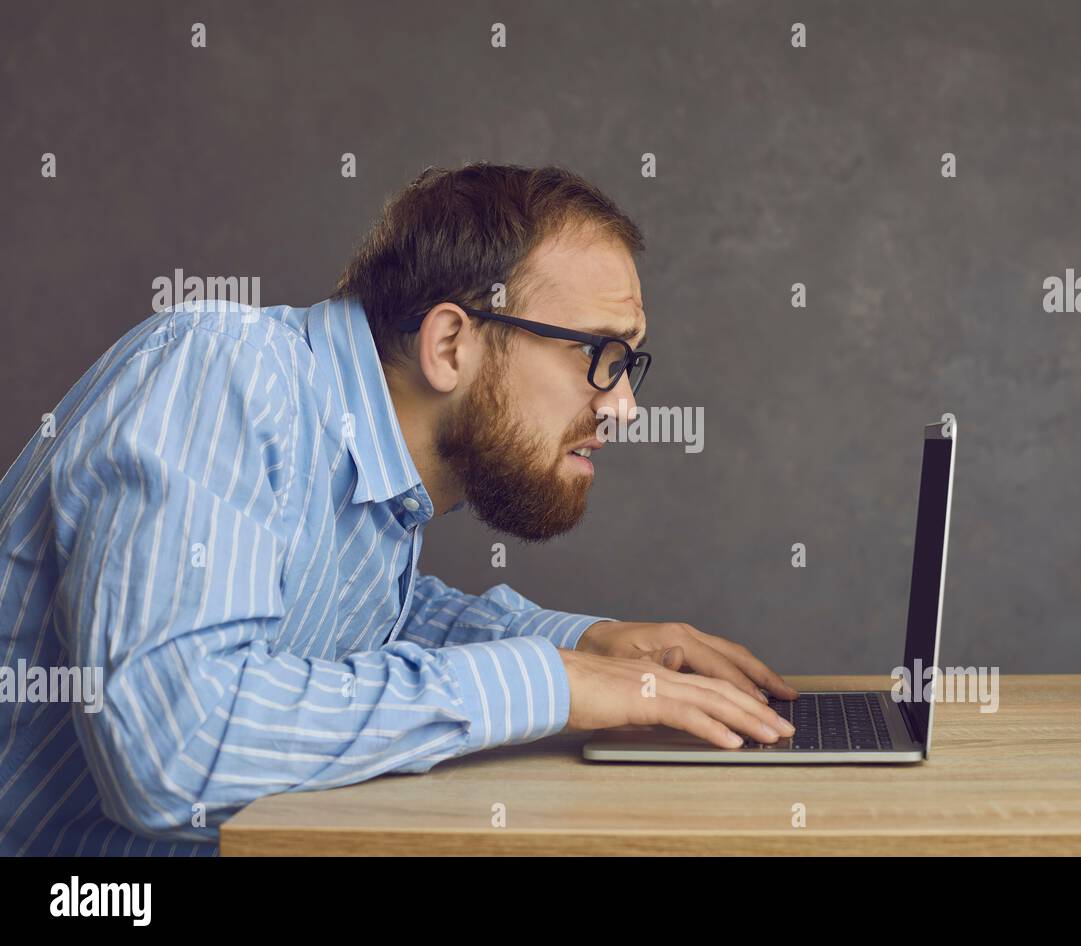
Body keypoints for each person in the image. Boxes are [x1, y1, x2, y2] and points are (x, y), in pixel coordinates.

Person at [0, 162, 796, 856]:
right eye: (599, 356)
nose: (623, 408)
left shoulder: (368, 472)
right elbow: (175, 752)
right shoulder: (222, 372)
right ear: (451, 344)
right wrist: (550, 682)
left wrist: (589, 647)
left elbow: (339, 621)